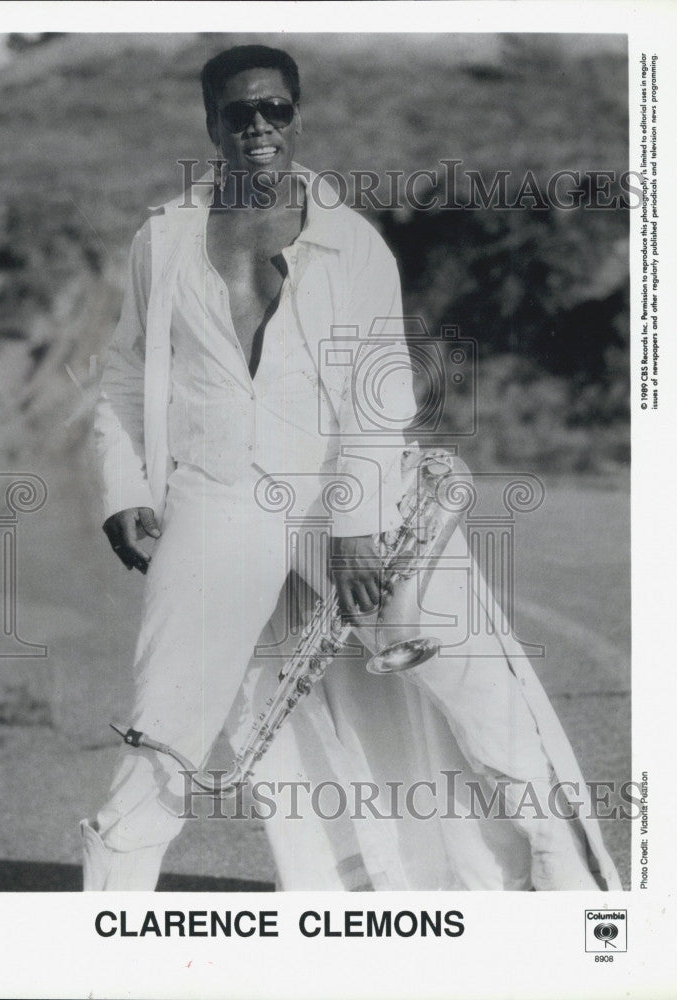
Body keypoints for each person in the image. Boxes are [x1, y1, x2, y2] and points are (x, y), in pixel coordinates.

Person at [82, 44, 621, 892]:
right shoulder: (163, 240)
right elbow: (122, 370)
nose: (259, 127)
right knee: (170, 718)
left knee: (474, 683)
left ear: (297, 114)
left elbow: (381, 390)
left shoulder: (352, 241)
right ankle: (103, 921)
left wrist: (356, 525)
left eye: (276, 109)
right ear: (210, 124)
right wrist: (122, 488)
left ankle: (566, 889)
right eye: (239, 113)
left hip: (356, 496)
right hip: (219, 497)